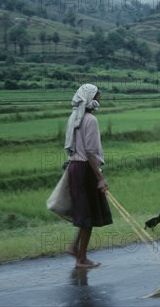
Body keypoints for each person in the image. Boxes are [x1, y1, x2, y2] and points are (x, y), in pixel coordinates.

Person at [64, 84, 113, 269]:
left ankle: (74, 247)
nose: (100, 100)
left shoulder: (73, 117)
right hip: (85, 169)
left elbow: (73, 147)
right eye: (98, 97)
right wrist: (99, 178)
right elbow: (91, 153)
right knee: (89, 215)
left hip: (74, 167)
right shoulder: (90, 120)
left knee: (85, 213)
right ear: (91, 98)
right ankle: (81, 259)